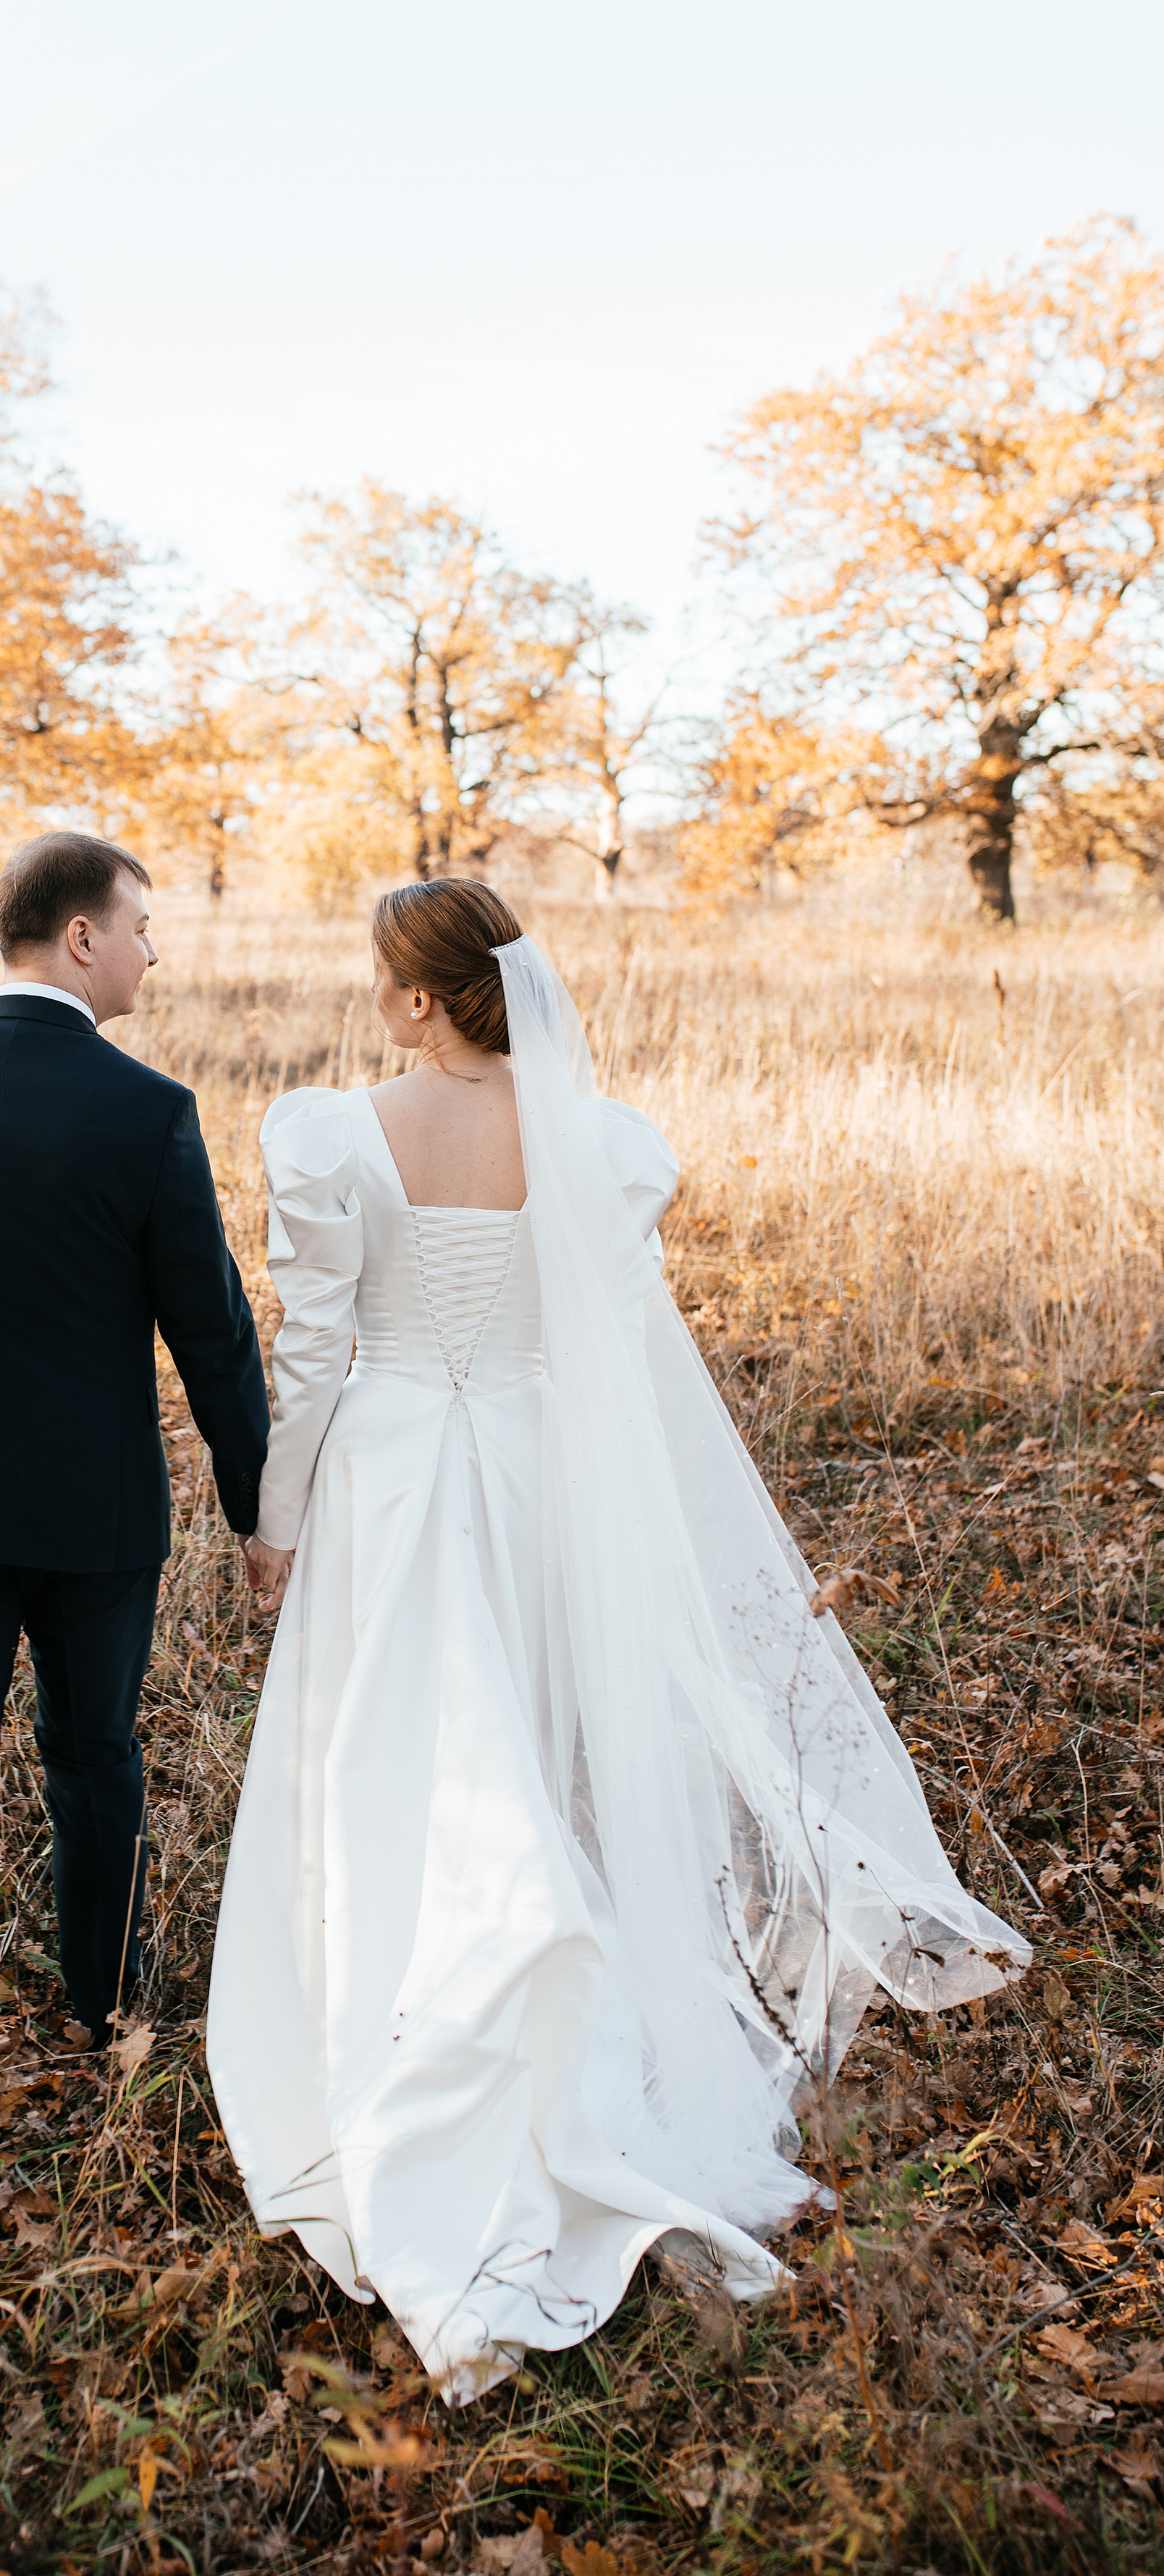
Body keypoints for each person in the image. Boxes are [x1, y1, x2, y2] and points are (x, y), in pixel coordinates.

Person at [209, 876, 1028, 2399]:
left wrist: (275, 1516)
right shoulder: (597, 1142)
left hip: (389, 1479)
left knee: (398, 1758)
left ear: (412, 996)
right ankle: (536, 2011)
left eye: (382, 976)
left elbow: (310, 1345)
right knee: (518, 1735)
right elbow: (611, 1353)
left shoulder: (330, 1134)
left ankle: (421, 2021)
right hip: (527, 1477)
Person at [0, 831, 270, 2155]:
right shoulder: (148, 1112)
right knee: (96, 1763)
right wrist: (258, 1505)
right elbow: (212, 1330)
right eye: (142, 924)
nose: (154, 949)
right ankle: (110, 2018)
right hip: (94, 1518)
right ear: (80, 939)